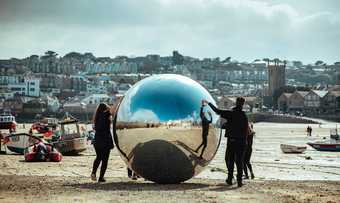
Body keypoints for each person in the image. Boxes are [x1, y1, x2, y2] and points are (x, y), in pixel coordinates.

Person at [203, 97, 248, 187]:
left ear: (236, 102)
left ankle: (230, 179)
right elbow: (245, 130)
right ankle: (239, 182)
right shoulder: (244, 116)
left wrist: (208, 103)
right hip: (242, 142)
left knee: (230, 160)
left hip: (232, 141)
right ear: (243, 104)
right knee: (239, 162)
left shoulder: (231, 113)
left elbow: (217, 111)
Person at [91, 103, 114, 182]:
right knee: (105, 160)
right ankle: (101, 177)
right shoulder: (106, 114)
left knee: (98, 157)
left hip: (97, 141)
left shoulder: (97, 116)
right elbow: (113, 110)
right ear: (105, 108)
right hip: (105, 141)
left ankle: (93, 173)